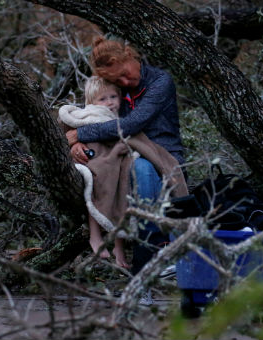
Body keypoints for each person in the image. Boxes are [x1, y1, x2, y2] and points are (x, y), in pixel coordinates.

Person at [65, 37, 185, 292]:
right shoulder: (116, 91)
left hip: (164, 152)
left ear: (131, 56)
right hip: (128, 153)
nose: (124, 83)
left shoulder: (159, 82)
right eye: (117, 81)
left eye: (124, 74)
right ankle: (145, 261)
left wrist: (81, 135)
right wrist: (76, 145)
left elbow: (132, 124)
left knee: (141, 170)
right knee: (128, 168)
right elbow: (94, 113)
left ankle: (151, 256)